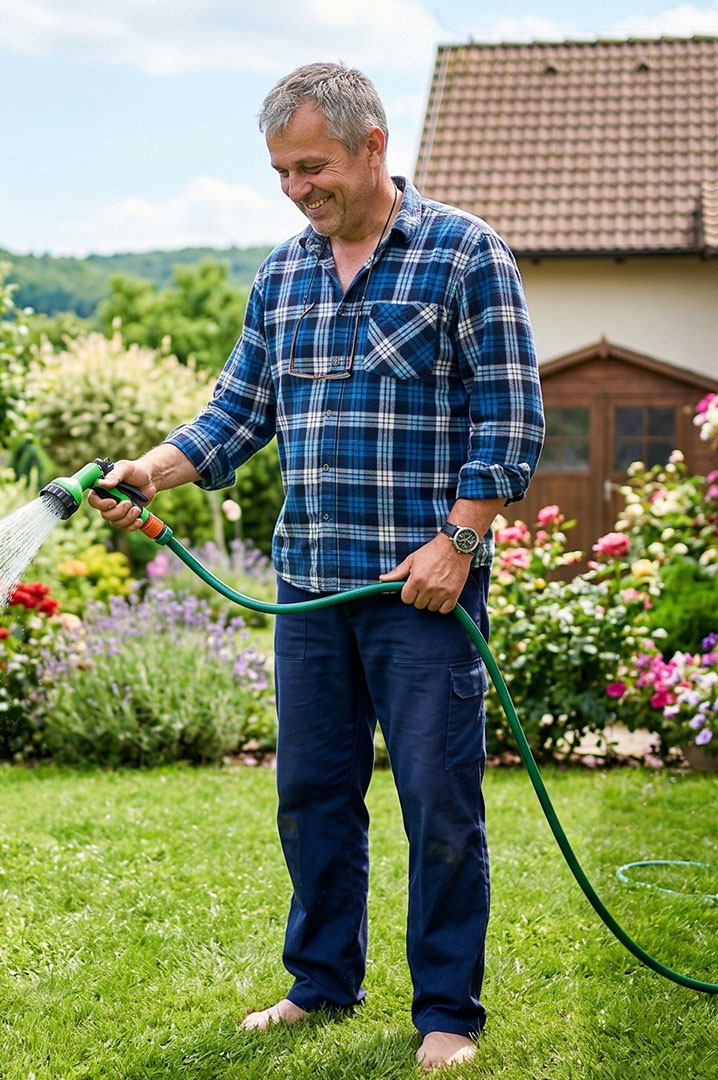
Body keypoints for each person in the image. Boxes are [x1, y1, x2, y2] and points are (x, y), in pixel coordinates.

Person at [89, 61, 543, 1072]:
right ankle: (322, 983)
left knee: (439, 804)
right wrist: (153, 470)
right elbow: (236, 411)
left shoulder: (466, 255)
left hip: (421, 591)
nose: (297, 189)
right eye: (283, 173)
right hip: (309, 587)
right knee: (310, 794)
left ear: (372, 146)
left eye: (312, 167)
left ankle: (447, 1012)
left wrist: (460, 542)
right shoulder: (284, 275)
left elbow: (510, 421)